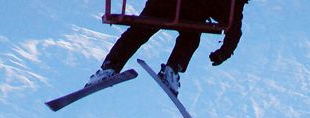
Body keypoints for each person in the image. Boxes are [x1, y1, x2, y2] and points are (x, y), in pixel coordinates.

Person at [85, 0, 248, 96]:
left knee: (139, 31)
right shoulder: (231, 4)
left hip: (165, 6)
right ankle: (172, 69)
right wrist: (223, 53)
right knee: (190, 36)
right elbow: (234, 28)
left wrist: (224, 53)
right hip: (179, 10)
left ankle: (110, 68)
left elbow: (234, 26)